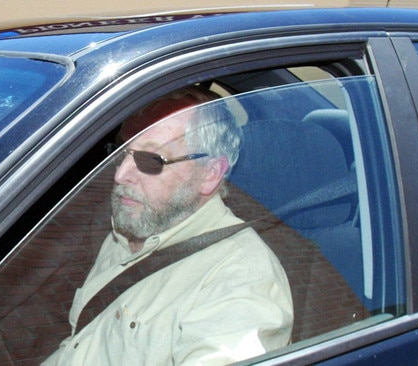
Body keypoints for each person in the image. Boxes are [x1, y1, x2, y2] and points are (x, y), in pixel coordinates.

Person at [43, 86, 293, 365]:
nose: (121, 175)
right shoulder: (132, 229)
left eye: (150, 160)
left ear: (210, 173)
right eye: (122, 153)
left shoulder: (240, 279)